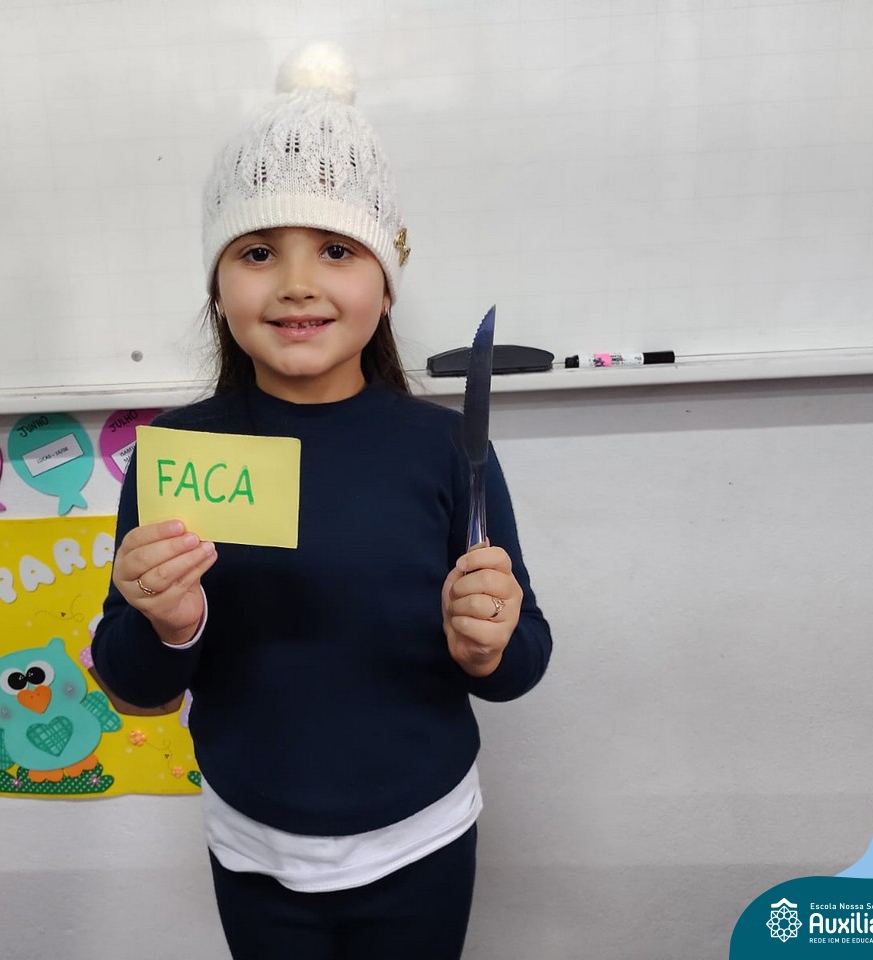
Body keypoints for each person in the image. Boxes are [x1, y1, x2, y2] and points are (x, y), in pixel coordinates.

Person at [92, 43, 552, 960]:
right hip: (252, 845)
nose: (297, 283)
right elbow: (135, 686)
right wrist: (169, 624)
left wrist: (487, 642)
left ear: (385, 282)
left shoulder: (443, 449)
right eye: (258, 252)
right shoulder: (182, 455)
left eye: (337, 250)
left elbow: (521, 660)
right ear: (219, 286)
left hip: (423, 836)